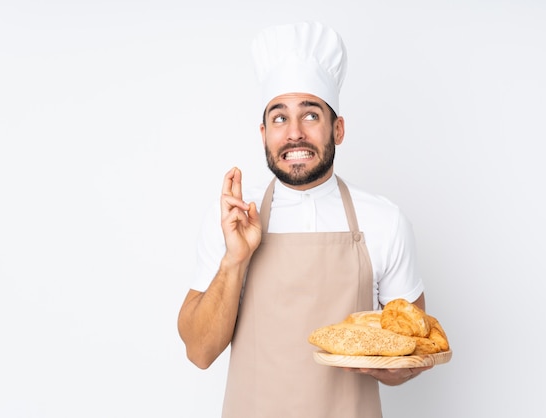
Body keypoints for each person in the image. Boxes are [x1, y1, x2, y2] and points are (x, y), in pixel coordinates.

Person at [178, 21, 431, 418]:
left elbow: (417, 344)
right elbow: (199, 351)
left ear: (338, 128)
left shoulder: (384, 221)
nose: (294, 133)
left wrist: (387, 366)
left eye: (310, 115)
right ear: (263, 134)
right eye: (279, 119)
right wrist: (235, 259)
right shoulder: (232, 220)